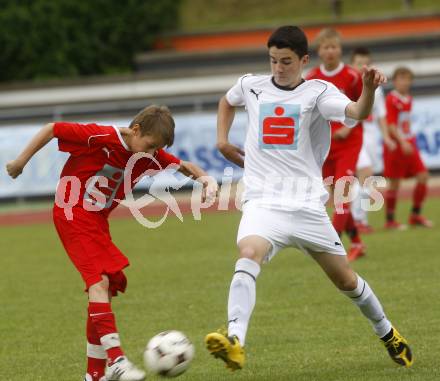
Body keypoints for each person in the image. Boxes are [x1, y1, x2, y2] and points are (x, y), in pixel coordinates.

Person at [204, 25, 413, 372]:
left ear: (303, 59)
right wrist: (222, 141)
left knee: (346, 280)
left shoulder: (318, 93)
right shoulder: (251, 85)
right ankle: (235, 341)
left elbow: (358, 112)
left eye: (286, 61)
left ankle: (387, 332)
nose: (278, 68)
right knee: (248, 253)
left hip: (305, 207)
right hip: (263, 202)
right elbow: (227, 100)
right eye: (273, 60)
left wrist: (369, 88)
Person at [6, 105, 217, 381]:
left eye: (157, 149)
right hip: (71, 212)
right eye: (151, 145)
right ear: (136, 130)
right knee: (99, 283)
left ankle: (95, 375)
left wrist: (207, 180)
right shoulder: (101, 136)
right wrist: (20, 162)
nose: (152, 154)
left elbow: (185, 166)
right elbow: (52, 129)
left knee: (106, 287)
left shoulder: (147, 154)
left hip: (96, 223)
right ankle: (116, 360)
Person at [306, 28, 365, 261]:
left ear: (340, 49)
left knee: (342, 194)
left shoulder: (352, 76)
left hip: (350, 142)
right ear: (319, 51)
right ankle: (358, 243)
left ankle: (333, 243)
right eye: (325, 47)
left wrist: (348, 127)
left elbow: (363, 106)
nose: (330, 51)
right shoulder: (311, 79)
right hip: (324, 145)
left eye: (334, 47)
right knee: (335, 195)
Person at [349, 47, 396, 233]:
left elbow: (381, 115)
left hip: (371, 136)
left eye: (364, 63)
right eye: (358, 63)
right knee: (365, 173)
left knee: (367, 180)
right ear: (352, 64)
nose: (361, 67)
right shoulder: (348, 85)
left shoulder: (376, 88)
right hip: (354, 135)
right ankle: (356, 219)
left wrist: (386, 137)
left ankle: (361, 219)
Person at [383, 67, 432, 229]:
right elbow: (390, 124)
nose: (404, 82)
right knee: (394, 183)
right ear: (395, 81)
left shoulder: (408, 99)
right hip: (397, 146)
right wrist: (402, 141)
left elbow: (405, 123)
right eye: (401, 79)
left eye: (407, 79)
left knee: (423, 175)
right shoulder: (391, 99)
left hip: (409, 143)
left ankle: (415, 215)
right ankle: (390, 220)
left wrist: (409, 139)